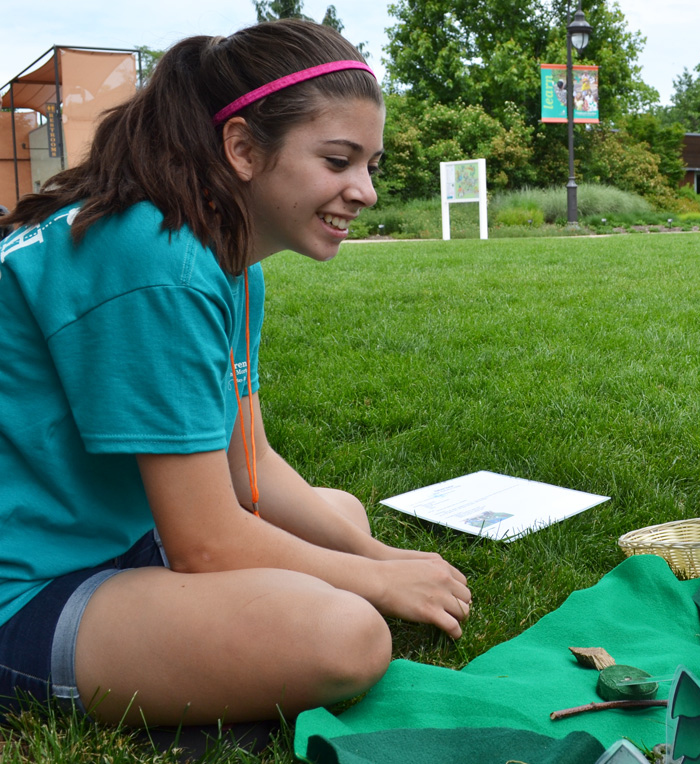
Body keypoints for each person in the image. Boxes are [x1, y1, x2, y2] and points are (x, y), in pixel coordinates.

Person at [0, 19, 471, 730]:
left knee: (341, 513)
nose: (365, 191)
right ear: (244, 148)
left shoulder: (225, 260)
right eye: (339, 160)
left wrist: (381, 555)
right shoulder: (156, 260)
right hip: (26, 584)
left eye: (370, 165)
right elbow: (207, 544)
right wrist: (378, 580)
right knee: (346, 636)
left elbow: (250, 465)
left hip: (112, 541)